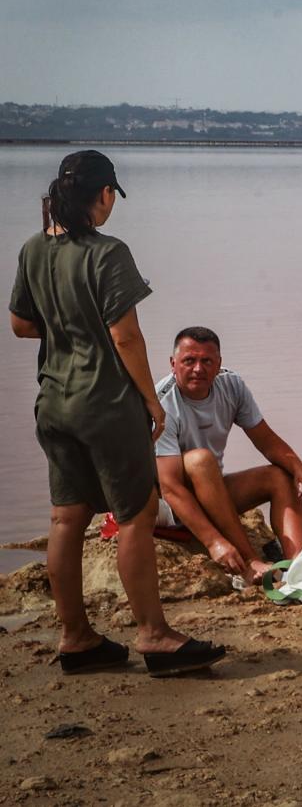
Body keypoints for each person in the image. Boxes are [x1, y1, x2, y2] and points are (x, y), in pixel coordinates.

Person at [8, 151, 225, 677]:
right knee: (135, 515)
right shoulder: (108, 252)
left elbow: (19, 324)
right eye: (111, 196)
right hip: (105, 404)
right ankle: (154, 635)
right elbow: (126, 335)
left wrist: (68, 328)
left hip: (53, 402)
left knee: (65, 517)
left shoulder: (34, 249)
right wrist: (152, 400)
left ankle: (76, 638)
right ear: (104, 194)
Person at [154, 327, 302, 583]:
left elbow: (265, 439)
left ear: (219, 364)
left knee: (280, 475)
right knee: (201, 460)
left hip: (211, 493)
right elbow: (170, 488)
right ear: (173, 364)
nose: (198, 368)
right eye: (189, 360)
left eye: (207, 361)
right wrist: (215, 543)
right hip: (167, 507)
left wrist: (300, 468)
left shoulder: (231, 385)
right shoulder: (161, 404)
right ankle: (250, 562)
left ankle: (298, 568)